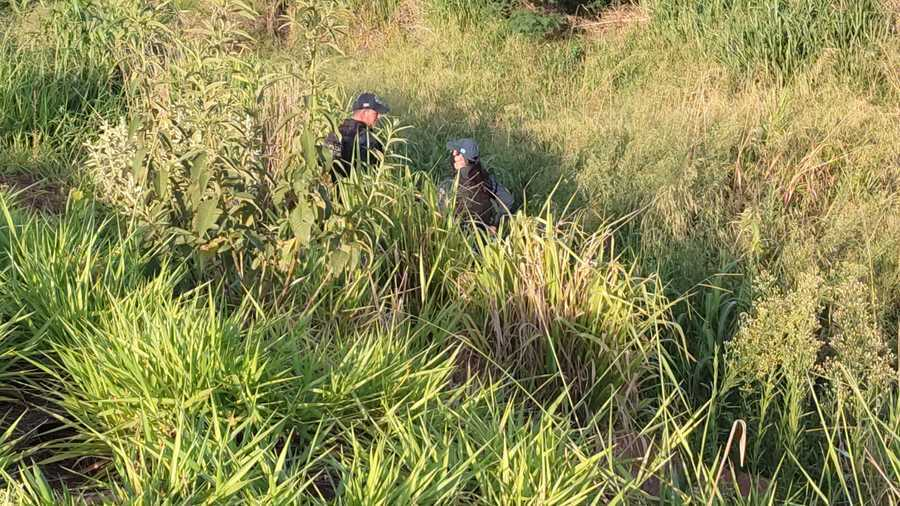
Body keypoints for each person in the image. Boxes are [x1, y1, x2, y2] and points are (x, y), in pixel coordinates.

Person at [439, 138, 517, 233]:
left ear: (465, 160)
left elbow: (441, 215)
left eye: (457, 152)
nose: (453, 154)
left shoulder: (448, 184)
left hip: (456, 236)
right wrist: (495, 225)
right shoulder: (487, 180)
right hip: (483, 235)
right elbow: (509, 201)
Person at [324, 92, 390, 180]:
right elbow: (372, 174)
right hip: (357, 186)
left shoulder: (335, 132)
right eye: (376, 113)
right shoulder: (369, 140)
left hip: (333, 185)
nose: (378, 117)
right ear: (365, 112)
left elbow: (326, 164)